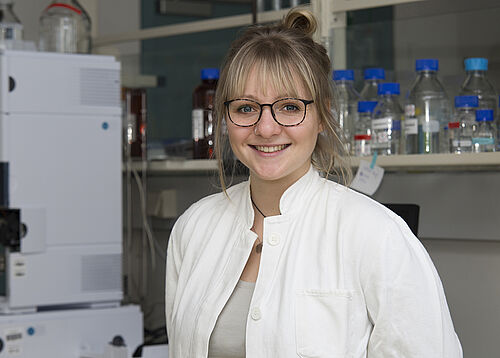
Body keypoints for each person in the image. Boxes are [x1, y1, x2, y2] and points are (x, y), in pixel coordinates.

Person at [165, 7, 462, 358]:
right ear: (225, 118)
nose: (266, 128)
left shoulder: (377, 235)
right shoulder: (194, 229)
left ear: (321, 115)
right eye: (246, 108)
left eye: (289, 107)